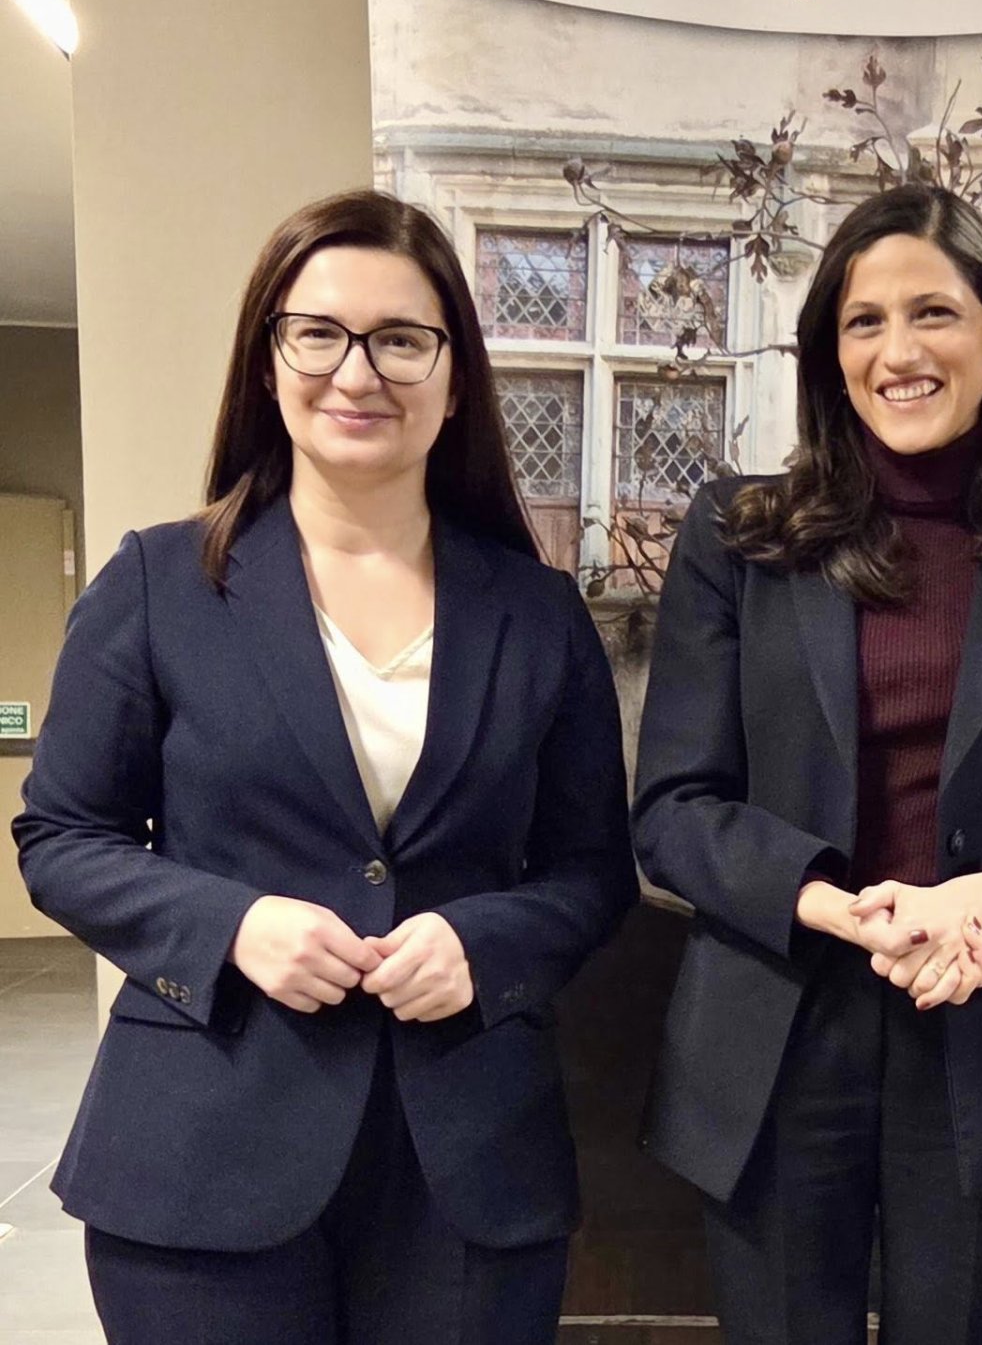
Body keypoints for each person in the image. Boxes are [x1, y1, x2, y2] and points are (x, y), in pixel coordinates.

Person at [13, 190, 635, 1343]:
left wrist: (485, 942)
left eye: (401, 339)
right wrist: (236, 926)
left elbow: (594, 868)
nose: (358, 372)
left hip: (467, 1163)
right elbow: (60, 838)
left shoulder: (539, 615)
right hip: (205, 1154)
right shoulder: (158, 585)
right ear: (269, 361)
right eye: (319, 334)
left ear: (455, 376)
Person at [630, 183, 982, 1345]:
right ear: (831, 352)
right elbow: (673, 809)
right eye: (864, 321)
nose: (898, 351)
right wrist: (837, 904)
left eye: (934, 313)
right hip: (775, 1036)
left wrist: (975, 901)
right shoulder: (739, 537)